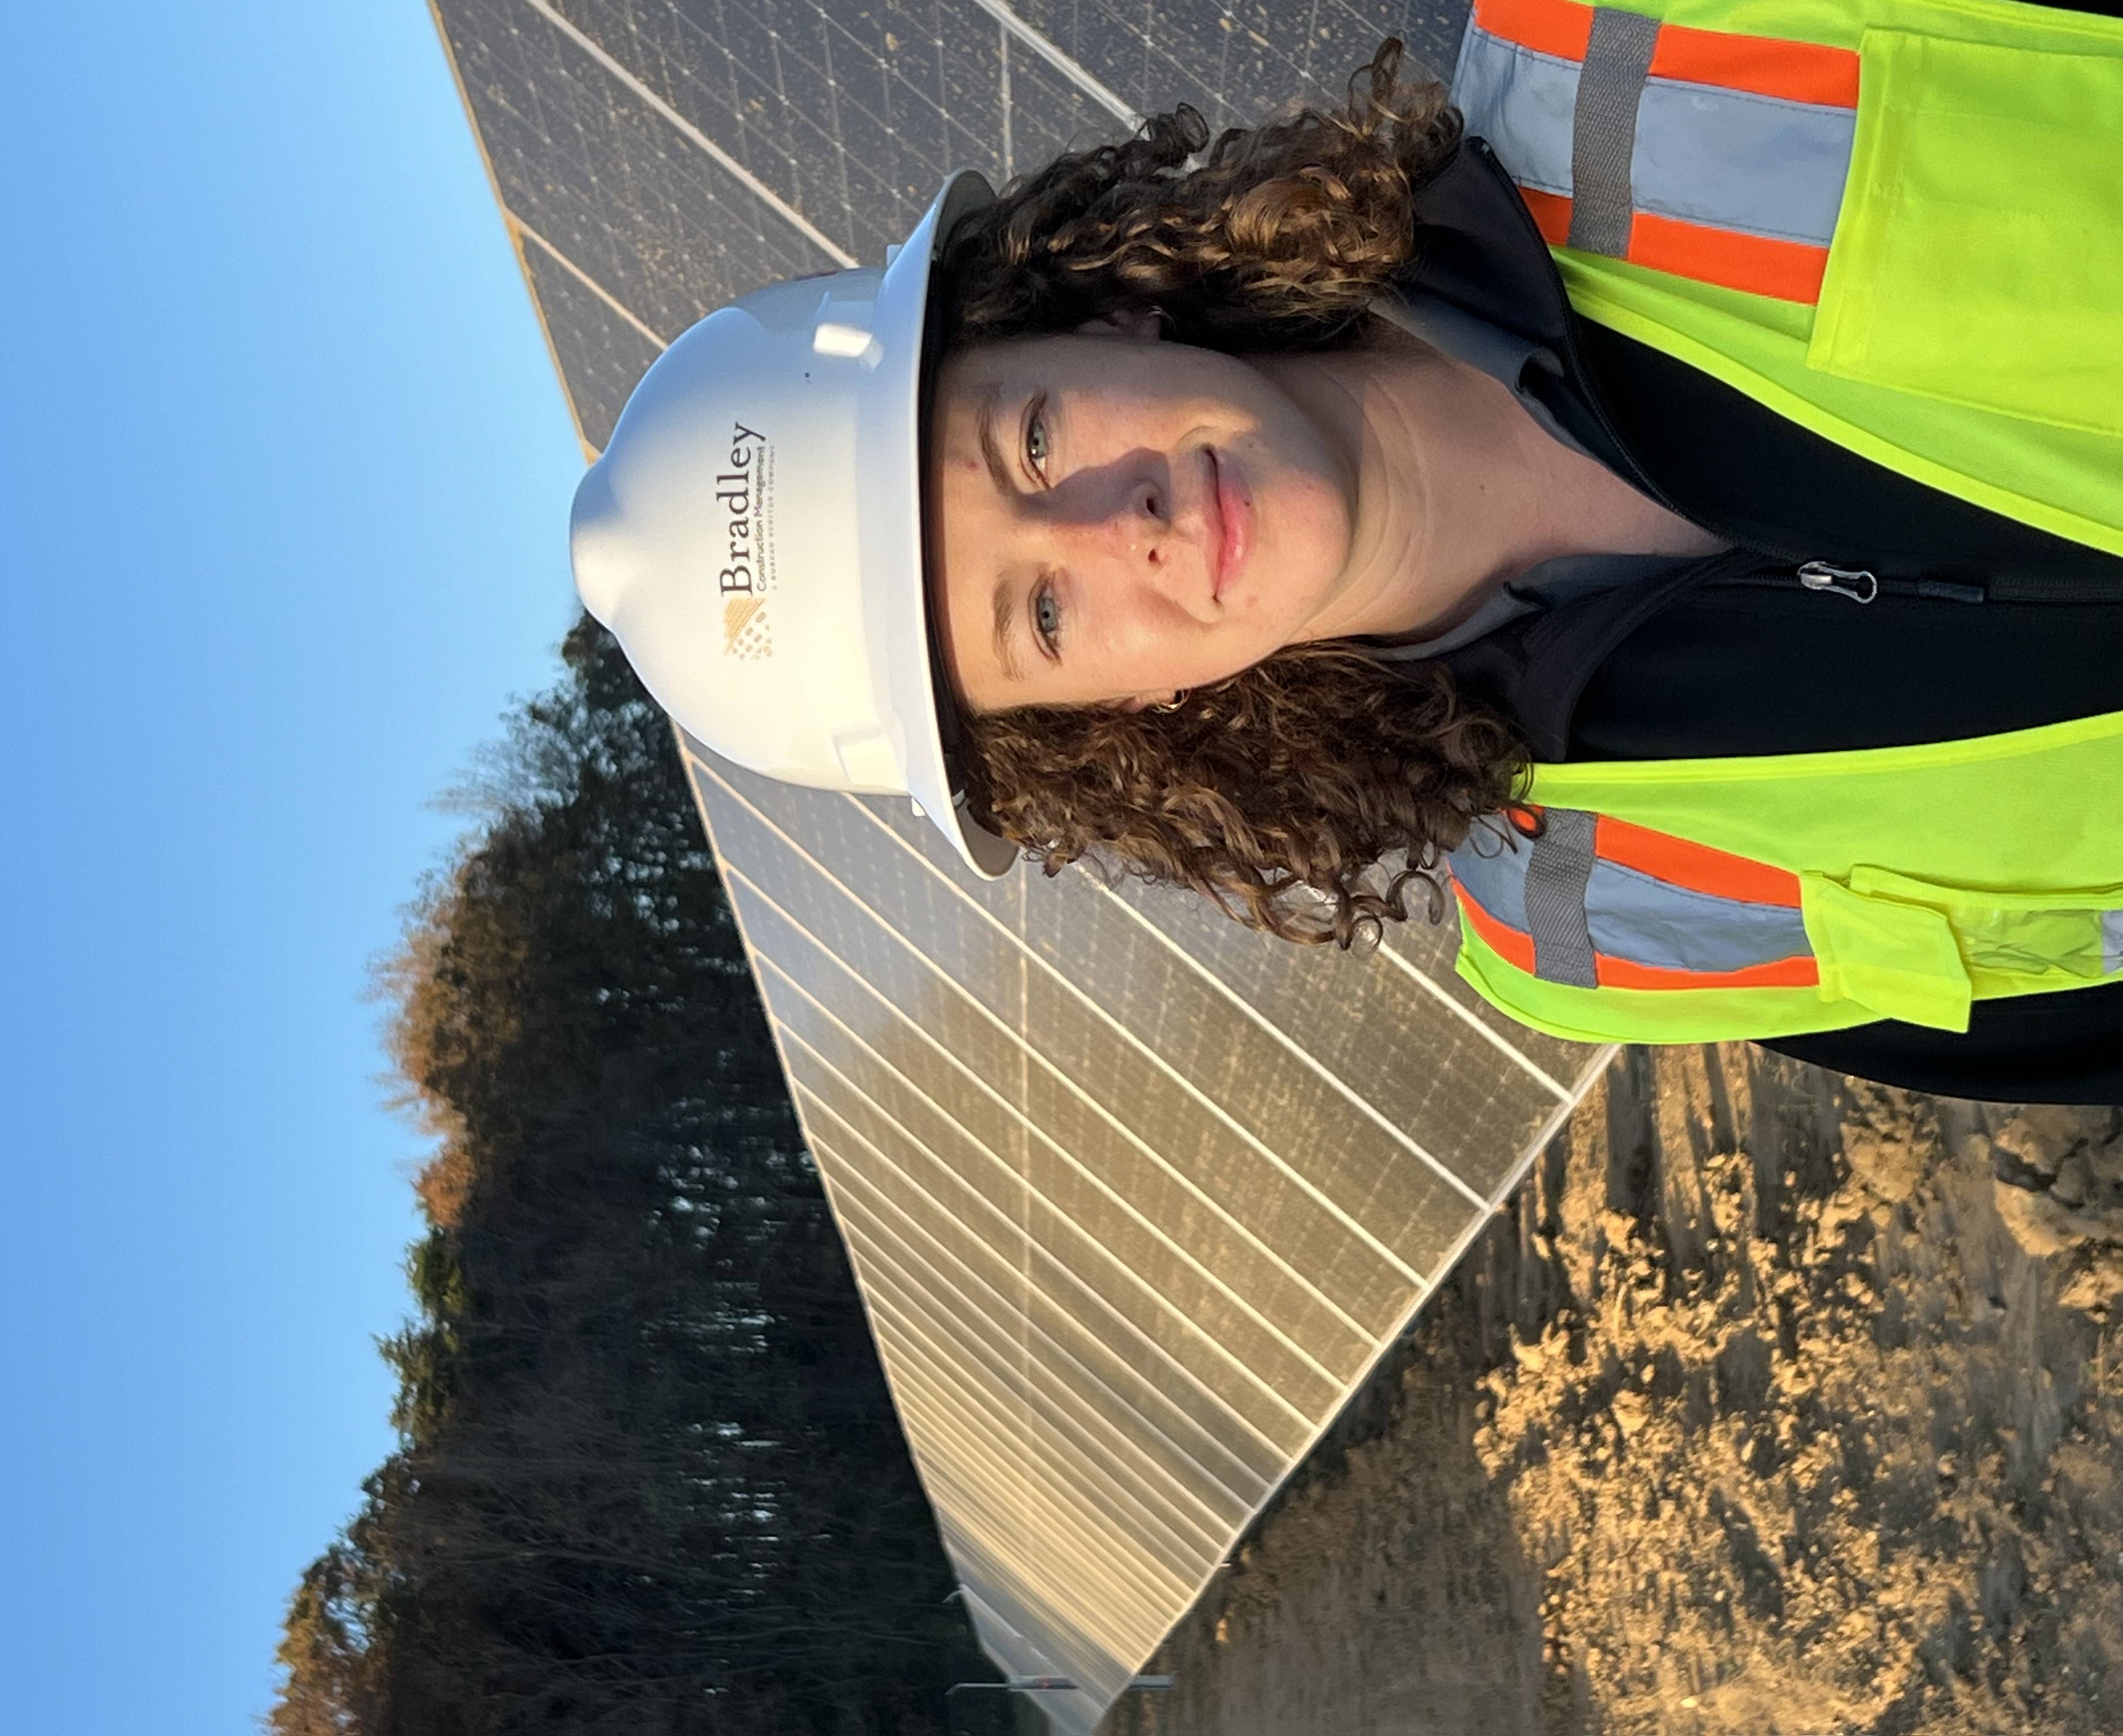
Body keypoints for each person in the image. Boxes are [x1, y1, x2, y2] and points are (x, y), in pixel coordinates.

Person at [569, 3, 2123, 1103]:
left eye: (1032, 440)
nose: (1124, 528)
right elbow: (2069, 1021)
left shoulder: (1644, 44)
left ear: (1096, 310)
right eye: (1040, 614)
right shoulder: (1582, 927)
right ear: (1118, 713)